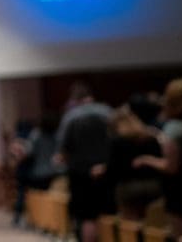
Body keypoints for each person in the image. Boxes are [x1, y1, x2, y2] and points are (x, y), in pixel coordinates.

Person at [56, 82, 114, 242]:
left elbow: (63, 147)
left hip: (80, 172)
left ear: (75, 99)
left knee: (87, 216)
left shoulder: (71, 116)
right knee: (107, 214)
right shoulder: (107, 112)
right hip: (105, 169)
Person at [133, 78, 182, 239]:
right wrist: (158, 135)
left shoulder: (174, 127)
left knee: (181, 236)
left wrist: (146, 159)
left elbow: (171, 166)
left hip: (180, 190)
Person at [101, 107, 162, 220]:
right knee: (153, 223)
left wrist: (103, 172)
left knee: (130, 227)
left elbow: (114, 169)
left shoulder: (117, 141)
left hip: (128, 188)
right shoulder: (150, 138)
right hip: (153, 186)